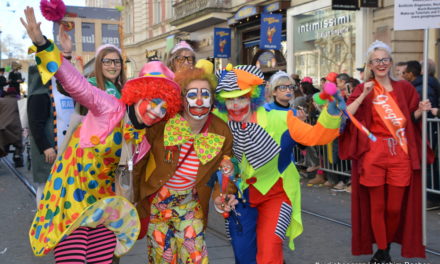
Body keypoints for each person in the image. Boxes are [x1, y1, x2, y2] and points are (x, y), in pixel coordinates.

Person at [21, 7, 182, 263]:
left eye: (163, 107)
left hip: (103, 207)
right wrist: (42, 44)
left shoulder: (142, 140)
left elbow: (124, 176)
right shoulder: (108, 106)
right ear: (140, 96)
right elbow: (75, 84)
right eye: (153, 100)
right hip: (70, 197)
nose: (156, 110)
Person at [214, 64, 343, 264]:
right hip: (239, 195)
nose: (236, 105)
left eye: (242, 97)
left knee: (270, 250)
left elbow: (318, 136)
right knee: (243, 254)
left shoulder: (282, 118)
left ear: (253, 96)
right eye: (230, 100)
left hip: (276, 192)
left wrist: (332, 110)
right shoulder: (220, 121)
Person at [339, 40, 432, 263]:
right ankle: (382, 250)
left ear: (390, 62)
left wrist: (420, 111)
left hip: (400, 152)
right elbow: (346, 115)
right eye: (376, 60)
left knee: (394, 209)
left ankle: (385, 244)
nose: (381, 63)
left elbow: (409, 121)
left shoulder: (405, 88)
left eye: (385, 59)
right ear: (370, 64)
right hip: (373, 153)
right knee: (377, 206)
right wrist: (362, 95)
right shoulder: (364, 88)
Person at [133, 66, 237, 263]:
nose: (199, 100)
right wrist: (133, 198)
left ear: (213, 100)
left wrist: (221, 195)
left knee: (196, 258)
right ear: (181, 99)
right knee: (162, 259)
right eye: (192, 94)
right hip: (157, 205)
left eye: (205, 94)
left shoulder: (221, 130)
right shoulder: (162, 123)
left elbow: (226, 171)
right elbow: (140, 161)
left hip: (191, 205)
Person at [27, 65, 58, 205]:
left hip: (47, 149)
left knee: (47, 185)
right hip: (46, 150)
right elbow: (35, 125)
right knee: (45, 186)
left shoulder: (41, 94)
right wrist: (46, 147)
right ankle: (42, 219)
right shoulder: (40, 96)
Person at [0, 87, 24, 167]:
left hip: (3, 128)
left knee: (2, 141)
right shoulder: (19, 101)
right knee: (18, 143)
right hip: (15, 128)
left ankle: (3, 150)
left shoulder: (1, 101)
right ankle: (17, 154)